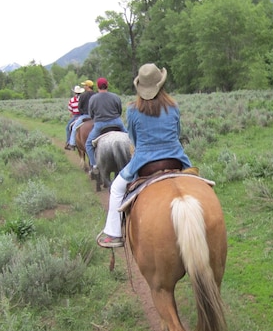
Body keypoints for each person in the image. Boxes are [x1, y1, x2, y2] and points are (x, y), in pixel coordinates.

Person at [96, 63, 191, 248]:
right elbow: (178, 133)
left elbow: (133, 139)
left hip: (144, 163)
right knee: (201, 184)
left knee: (116, 189)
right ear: (160, 84)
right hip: (177, 159)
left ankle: (114, 234)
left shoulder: (132, 110)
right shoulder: (173, 106)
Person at [85, 77, 127, 175]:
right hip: (117, 122)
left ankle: (94, 165)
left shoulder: (93, 98)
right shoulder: (115, 96)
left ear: (98, 86)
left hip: (100, 124)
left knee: (88, 144)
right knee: (132, 139)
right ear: (107, 85)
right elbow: (119, 111)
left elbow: (91, 114)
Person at [65, 80, 96, 150]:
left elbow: (79, 107)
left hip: (85, 116)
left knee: (74, 128)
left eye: (85, 85)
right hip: (95, 116)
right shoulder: (96, 95)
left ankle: (72, 144)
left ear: (88, 86)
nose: (84, 86)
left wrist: (82, 112)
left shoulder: (83, 96)